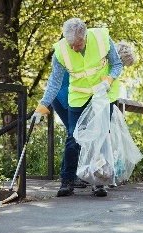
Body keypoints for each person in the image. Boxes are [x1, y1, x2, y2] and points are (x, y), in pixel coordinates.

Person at [32, 18, 123, 197]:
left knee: (100, 138)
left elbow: (117, 64)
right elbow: (55, 81)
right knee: (74, 136)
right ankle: (67, 180)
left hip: (103, 95)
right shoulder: (60, 50)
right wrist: (42, 106)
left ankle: (98, 181)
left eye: (78, 43)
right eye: (70, 44)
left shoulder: (102, 38)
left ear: (85, 36)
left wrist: (109, 80)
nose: (74, 47)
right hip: (78, 96)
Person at [51, 41, 136, 189]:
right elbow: (65, 86)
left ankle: (87, 175)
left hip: (79, 100)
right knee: (76, 135)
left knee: (85, 137)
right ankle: (72, 176)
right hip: (65, 99)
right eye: (121, 64)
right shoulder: (95, 64)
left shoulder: (102, 64)